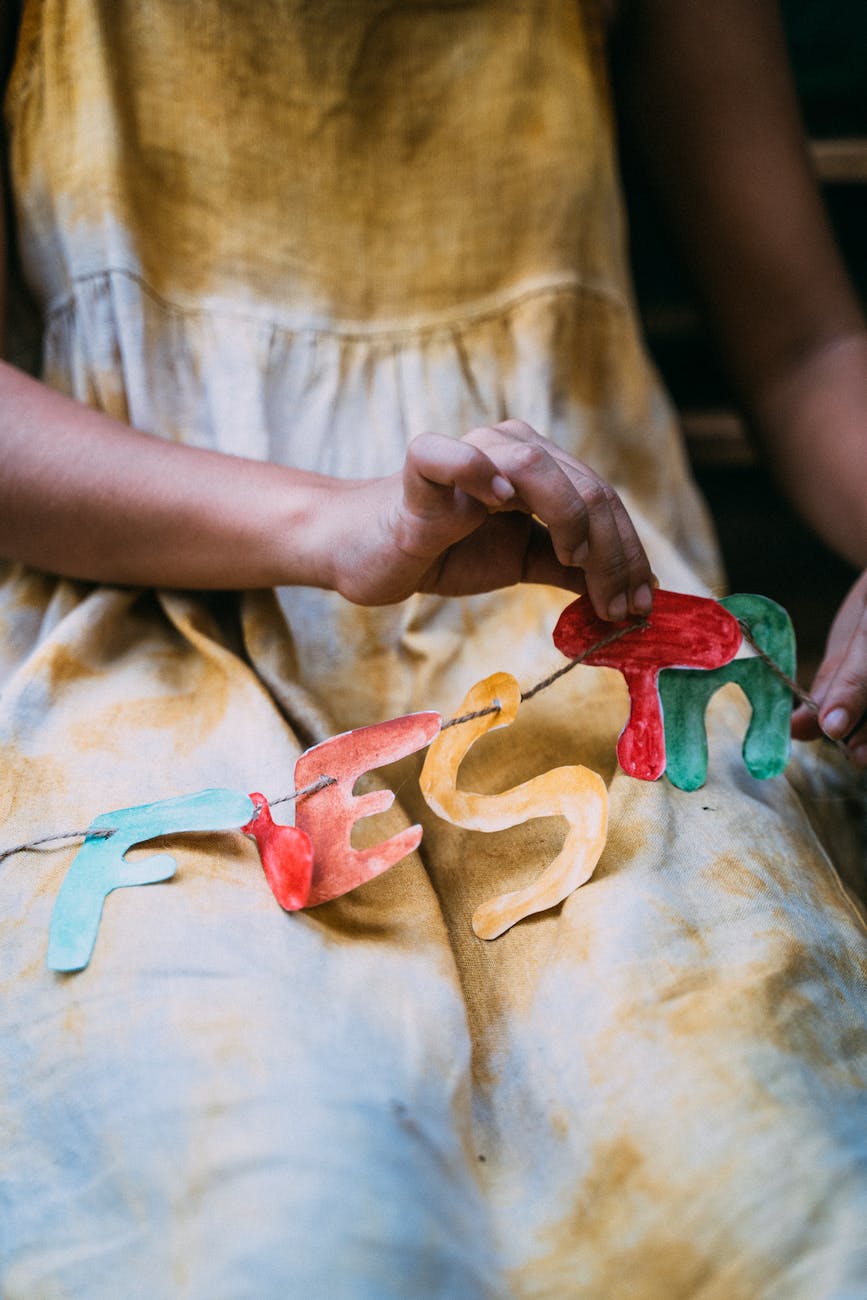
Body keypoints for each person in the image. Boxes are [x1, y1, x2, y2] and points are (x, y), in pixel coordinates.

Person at [0, 2, 865, 1295]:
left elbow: (809, 347)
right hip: (140, 641)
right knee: (257, 1179)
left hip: (602, 646)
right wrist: (327, 522)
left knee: (735, 1118)